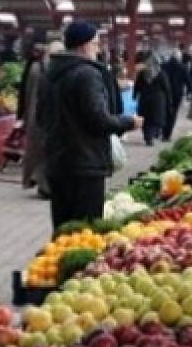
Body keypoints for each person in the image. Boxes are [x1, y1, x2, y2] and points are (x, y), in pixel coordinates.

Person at [37, 21, 137, 233]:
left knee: (63, 229)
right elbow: (98, 120)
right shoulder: (87, 74)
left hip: (57, 163)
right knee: (86, 231)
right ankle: (75, 266)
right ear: (83, 45)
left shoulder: (49, 74)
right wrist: (129, 122)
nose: (98, 48)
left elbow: (39, 118)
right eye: (95, 43)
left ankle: (60, 264)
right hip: (85, 165)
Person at [19, 42, 60, 197]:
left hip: (36, 114)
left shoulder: (36, 68)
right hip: (46, 115)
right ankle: (45, 186)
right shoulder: (50, 70)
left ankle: (43, 184)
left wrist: (25, 114)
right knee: (45, 152)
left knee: (39, 151)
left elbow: (26, 93)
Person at [134, 56, 172, 147]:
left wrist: (134, 96)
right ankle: (150, 136)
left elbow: (137, 86)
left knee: (145, 119)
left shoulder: (142, 73)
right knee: (154, 120)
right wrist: (169, 100)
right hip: (157, 100)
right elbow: (167, 88)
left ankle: (147, 136)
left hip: (144, 99)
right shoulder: (161, 73)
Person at [161, 51, 189, 142]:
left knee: (165, 112)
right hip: (177, 94)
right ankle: (167, 135)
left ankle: (163, 131)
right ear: (179, 57)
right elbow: (187, 80)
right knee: (173, 114)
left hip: (165, 93)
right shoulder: (183, 67)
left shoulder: (164, 66)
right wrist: (190, 91)